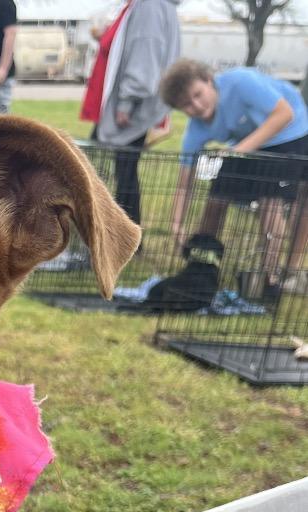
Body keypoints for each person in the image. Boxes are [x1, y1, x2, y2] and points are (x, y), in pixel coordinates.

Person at [161, 59, 308, 295]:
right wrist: (177, 225)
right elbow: (184, 181)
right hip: (245, 143)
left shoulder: (242, 81)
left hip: (289, 132)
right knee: (217, 197)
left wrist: (240, 150)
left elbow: (284, 114)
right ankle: (202, 263)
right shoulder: (197, 129)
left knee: (270, 204)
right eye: (186, 105)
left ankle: (272, 277)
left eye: (198, 95)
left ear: (210, 81)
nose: (196, 106)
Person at [83, 0, 180, 227]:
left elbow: (144, 56)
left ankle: (115, 234)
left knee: (106, 171)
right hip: (134, 105)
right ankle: (117, 232)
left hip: (131, 109)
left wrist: (126, 103)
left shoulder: (150, 6)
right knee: (120, 170)